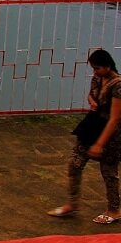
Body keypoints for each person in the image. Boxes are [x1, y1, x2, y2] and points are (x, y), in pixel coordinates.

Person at [48, 48, 121, 223]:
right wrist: (92, 102)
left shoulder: (118, 85)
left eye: (97, 68)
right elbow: (91, 95)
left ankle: (114, 210)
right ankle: (72, 205)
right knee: (74, 164)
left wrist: (100, 144)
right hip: (93, 125)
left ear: (108, 66)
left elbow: (115, 118)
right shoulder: (98, 79)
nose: (95, 72)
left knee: (109, 171)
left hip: (112, 133)